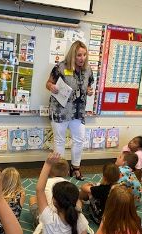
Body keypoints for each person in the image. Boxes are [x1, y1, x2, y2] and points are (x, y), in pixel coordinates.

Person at [19, 152, 88, 234]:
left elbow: (39, 189)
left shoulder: (48, 217)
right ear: (76, 201)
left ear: (54, 201)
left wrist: (47, 164)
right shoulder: (82, 221)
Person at [46, 40, 94, 181]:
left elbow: (88, 86)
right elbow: (48, 83)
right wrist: (51, 87)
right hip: (60, 110)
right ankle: (58, 171)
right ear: (73, 55)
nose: (82, 58)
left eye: (84, 55)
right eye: (79, 55)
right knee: (60, 141)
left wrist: (89, 91)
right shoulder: (60, 67)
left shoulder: (88, 70)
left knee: (79, 140)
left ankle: (75, 168)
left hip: (78, 112)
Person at [29, 158, 69, 227]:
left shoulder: (45, 184)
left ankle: (38, 224)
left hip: (46, 223)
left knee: (32, 199)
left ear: (49, 171)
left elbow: (40, 199)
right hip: (66, 221)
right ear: (67, 172)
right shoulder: (70, 184)